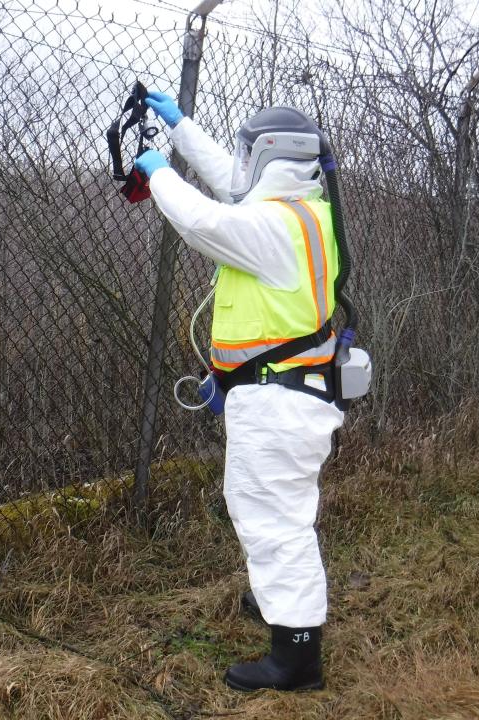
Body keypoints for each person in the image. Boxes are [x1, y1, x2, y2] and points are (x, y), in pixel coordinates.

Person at [134, 91, 344, 692]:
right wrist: (181, 128)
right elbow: (234, 183)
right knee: (276, 512)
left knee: (273, 518)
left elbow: (205, 220)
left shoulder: (273, 226)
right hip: (284, 393)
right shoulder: (306, 212)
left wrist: (159, 173)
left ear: (271, 157)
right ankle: (284, 608)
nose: (241, 161)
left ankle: (296, 656)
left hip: (279, 403)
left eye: (251, 151)